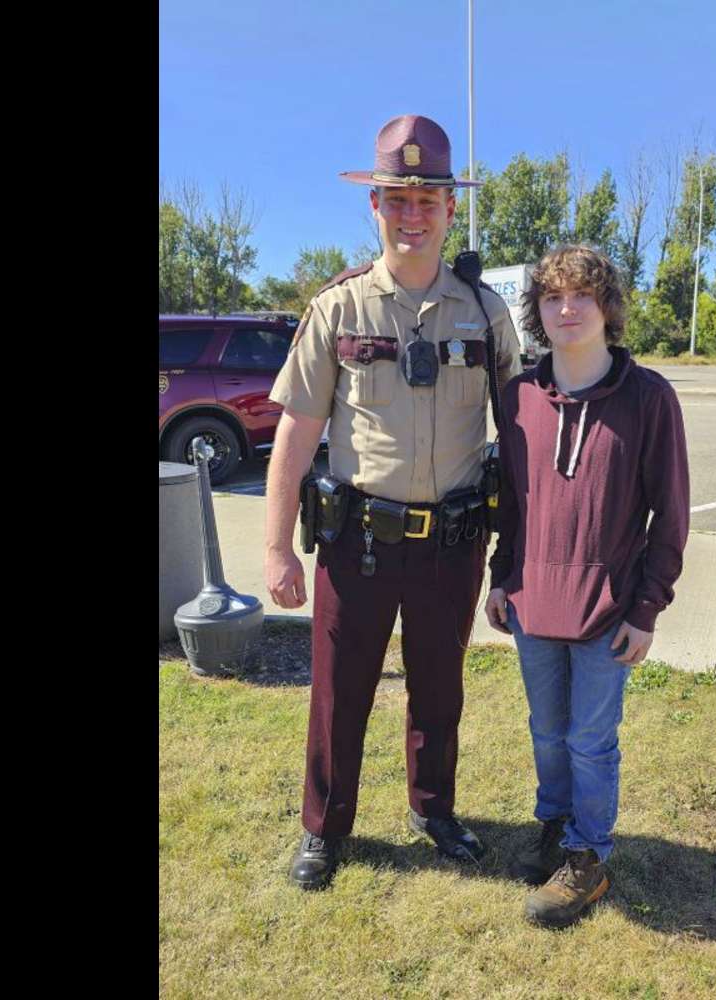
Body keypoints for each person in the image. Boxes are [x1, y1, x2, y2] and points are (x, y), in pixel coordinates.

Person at [262, 115, 521, 890]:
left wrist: (518, 554)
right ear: (373, 206)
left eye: (428, 199)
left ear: (449, 209)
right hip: (359, 540)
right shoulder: (337, 310)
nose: (413, 214)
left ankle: (434, 810)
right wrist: (277, 547)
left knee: (440, 686)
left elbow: (520, 436)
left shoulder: (485, 314)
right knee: (340, 692)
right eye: (397, 198)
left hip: (452, 541)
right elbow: (295, 434)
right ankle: (325, 826)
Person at [484, 244, 690, 927]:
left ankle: (588, 857)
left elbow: (671, 511)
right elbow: (512, 503)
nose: (567, 308)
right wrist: (499, 580)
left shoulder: (649, 397)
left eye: (581, 296)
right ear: (537, 311)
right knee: (548, 732)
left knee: (591, 739)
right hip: (534, 602)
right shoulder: (517, 398)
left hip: (608, 612)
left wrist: (647, 608)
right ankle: (555, 826)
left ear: (607, 308)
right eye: (552, 297)